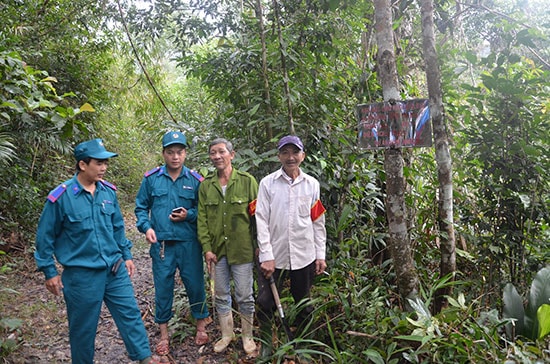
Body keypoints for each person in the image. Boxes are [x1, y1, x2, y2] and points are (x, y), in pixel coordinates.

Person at [34, 138, 160, 364]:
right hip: (82, 275)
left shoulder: (108, 192)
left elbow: (117, 227)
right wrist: (49, 271)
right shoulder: (61, 197)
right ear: (83, 165)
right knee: (83, 328)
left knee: (130, 315)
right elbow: (44, 237)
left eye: (106, 163)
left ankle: (145, 358)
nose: (104, 168)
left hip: (114, 269)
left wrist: (127, 255)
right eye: (99, 163)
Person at [135, 131, 210, 357]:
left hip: (189, 244)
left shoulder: (196, 181)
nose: (175, 157)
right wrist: (146, 227)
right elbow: (140, 208)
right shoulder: (151, 179)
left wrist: (188, 214)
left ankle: (201, 326)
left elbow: (204, 211)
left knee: (195, 285)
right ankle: (164, 335)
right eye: (170, 152)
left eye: (179, 152)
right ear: (164, 154)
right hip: (163, 245)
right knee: (163, 288)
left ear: (185, 153)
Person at [255, 135, 327, 360]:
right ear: (279, 156)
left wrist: (320, 255)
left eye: (295, 152)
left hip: (304, 255)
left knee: (303, 303)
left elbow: (317, 222)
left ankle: (304, 347)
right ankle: (267, 343)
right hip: (273, 256)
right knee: (265, 302)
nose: (290, 157)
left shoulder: (312, 184)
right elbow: (261, 219)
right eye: (285, 153)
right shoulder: (267, 183)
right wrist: (266, 254)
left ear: (303, 156)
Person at [197, 138, 258, 355]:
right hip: (217, 251)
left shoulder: (247, 181)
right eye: (213, 153)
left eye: (221, 152)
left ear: (232, 155)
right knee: (221, 294)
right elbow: (202, 219)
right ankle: (226, 334)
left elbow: (257, 217)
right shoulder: (206, 185)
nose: (217, 156)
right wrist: (207, 248)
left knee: (244, 294)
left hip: (242, 250)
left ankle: (247, 337)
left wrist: (259, 245)